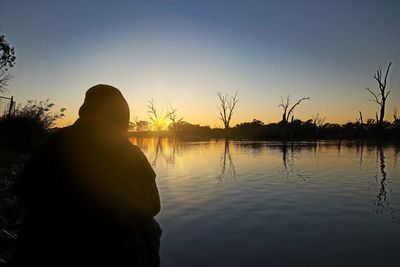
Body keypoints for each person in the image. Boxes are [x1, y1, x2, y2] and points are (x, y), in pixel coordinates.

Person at [12, 84, 162, 266]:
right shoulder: (126, 150)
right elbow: (153, 205)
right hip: (103, 251)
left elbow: (22, 188)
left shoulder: (55, 141)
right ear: (122, 115)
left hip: (39, 250)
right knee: (151, 227)